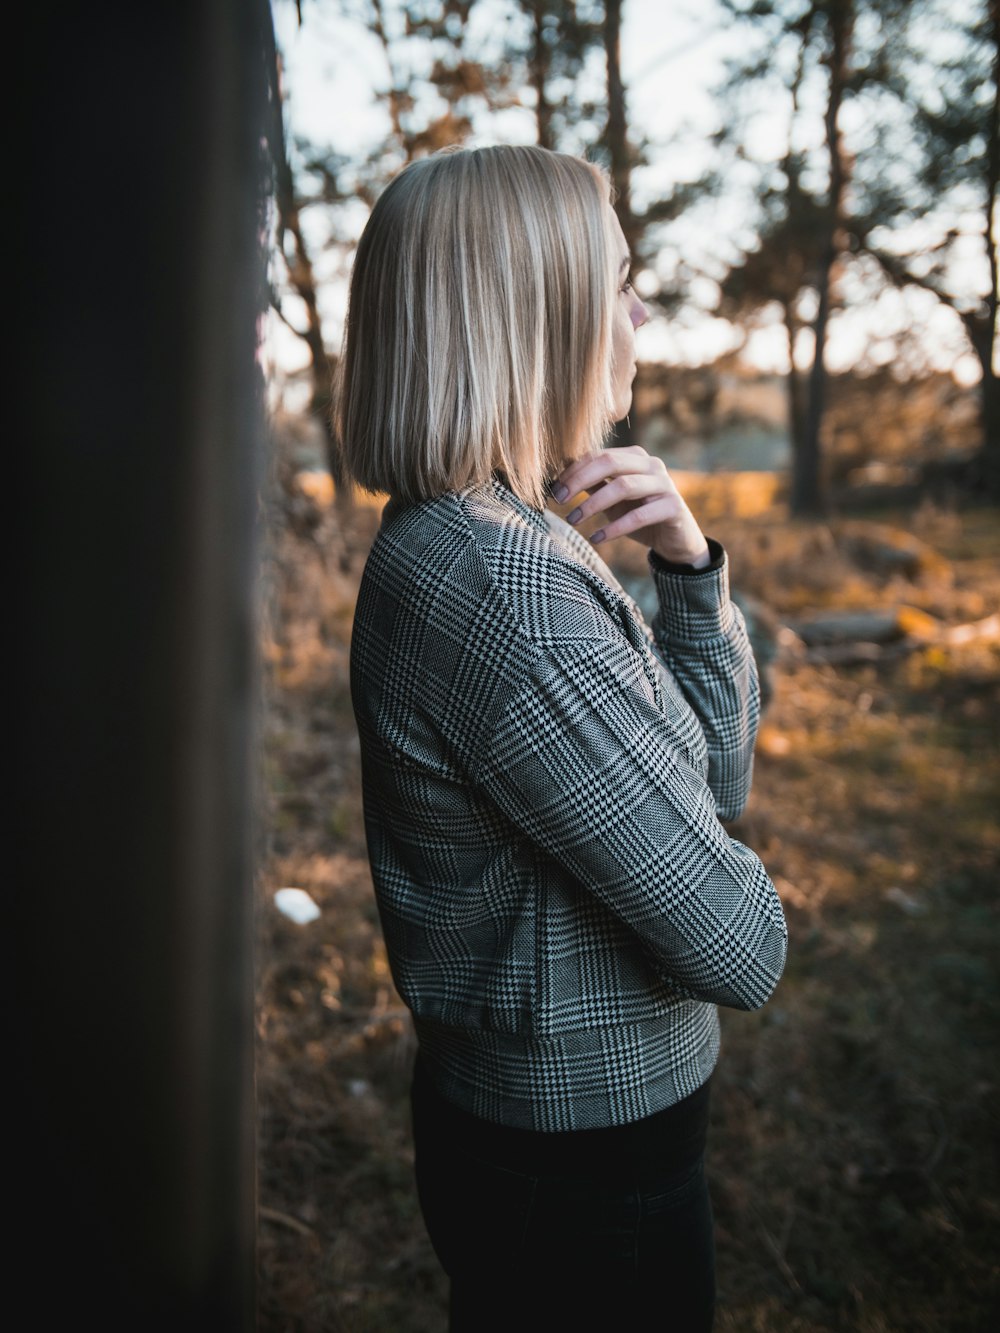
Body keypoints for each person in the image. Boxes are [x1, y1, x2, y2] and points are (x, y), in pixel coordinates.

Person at [336, 143, 787, 1332]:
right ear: (535, 313)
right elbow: (741, 946)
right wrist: (723, 862)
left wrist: (690, 575)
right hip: (587, 1170)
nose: (640, 312)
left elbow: (715, 775)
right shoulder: (505, 587)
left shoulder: (487, 534)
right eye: (621, 279)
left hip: (533, 1140)